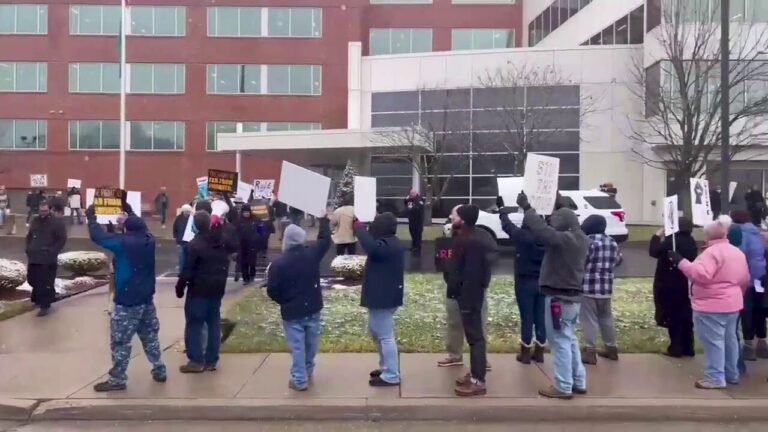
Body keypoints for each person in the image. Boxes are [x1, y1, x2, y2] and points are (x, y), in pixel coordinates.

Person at [86, 205, 167, 391]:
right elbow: (138, 225)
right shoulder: (150, 239)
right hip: (146, 298)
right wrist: (129, 211)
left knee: (120, 341)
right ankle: (159, 368)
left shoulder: (123, 243)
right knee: (150, 336)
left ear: (127, 229)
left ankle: (117, 380)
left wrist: (91, 217)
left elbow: (98, 236)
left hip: (127, 300)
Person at [518, 191, 589, 400]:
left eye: (555, 220)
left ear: (565, 223)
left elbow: (543, 232)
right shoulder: (581, 238)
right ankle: (578, 380)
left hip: (558, 297)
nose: (551, 223)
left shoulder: (565, 239)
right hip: (572, 298)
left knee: (559, 341)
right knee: (570, 339)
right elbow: (548, 230)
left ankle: (563, 385)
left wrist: (528, 208)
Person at [669, 215, 750, 389]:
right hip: (733, 303)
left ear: (709, 236)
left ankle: (714, 377)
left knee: (714, 342)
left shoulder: (711, 253)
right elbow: (745, 279)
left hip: (710, 305)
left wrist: (681, 262)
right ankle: (732, 373)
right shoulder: (737, 252)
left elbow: (701, 275)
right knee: (730, 340)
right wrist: (736, 295)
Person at [267, 215, 331, 391]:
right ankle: (307, 370)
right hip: (313, 307)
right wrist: (324, 220)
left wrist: (283, 301)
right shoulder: (311, 255)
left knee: (297, 347)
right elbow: (325, 241)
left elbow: (272, 289)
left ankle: (299, 379)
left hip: (292, 311)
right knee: (311, 344)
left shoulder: (278, 264)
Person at [176, 211, 235, 373]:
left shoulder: (194, 245)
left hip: (199, 290)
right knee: (213, 323)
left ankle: (196, 360)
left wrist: (180, 287)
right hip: (217, 289)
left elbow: (187, 271)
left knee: (194, 324)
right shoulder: (221, 241)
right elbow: (234, 246)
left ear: (195, 225)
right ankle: (211, 360)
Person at [353, 212, 405, 387]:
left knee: (385, 336)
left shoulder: (387, 245)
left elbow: (372, 248)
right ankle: (385, 368)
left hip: (383, 298)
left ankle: (391, 374)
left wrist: (359, 228)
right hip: (383, 296)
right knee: (377, 332)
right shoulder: (389, 243)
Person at [449, 205, 495, 397]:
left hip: (469, 297)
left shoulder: (470, 241)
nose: (452, 217)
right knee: (473, 338)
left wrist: (464, 296)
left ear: (464, 219)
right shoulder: (474, 237)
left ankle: (478, 381)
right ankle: (476, 373)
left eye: (455, 215)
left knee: (476, 339)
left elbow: (471, 273)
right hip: (470, 295)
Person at [499, 207, 546, 364]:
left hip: (524, 281)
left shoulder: (522, 236)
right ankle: (540, 352)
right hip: (542, 281)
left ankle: (525, 352)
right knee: (540, 316)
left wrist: (502, 212)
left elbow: (508, 226)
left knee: (527, 318)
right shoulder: (546, 237)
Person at [649, 218, 698, 358]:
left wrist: (656, 237)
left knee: (673, 315)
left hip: (668, 282)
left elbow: (654, 251)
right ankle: (688, 347)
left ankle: (675, 347)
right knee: (686, 315)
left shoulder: (672, 241)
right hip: (685, 282)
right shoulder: (691, 242)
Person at [579, 215, 623, 365]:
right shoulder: (612, 242)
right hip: (606, 287)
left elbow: (581, 262)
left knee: (589, 319)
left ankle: (590, 351)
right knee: (606, 317)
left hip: (588, 286)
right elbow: (618, 260)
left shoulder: (587, 242)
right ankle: (612, 349)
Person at [730, 210, 768, 360]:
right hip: (761, 277)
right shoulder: (757, 233)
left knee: (747, 312)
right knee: (760, 309)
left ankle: (749, 346)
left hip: (746, 278)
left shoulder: (738, 234)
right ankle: (762, 343)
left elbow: (739, 255)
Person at [25, 201, 67, 316]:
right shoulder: (35, 221)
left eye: (45, 211)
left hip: (47, 258)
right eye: (41, 211)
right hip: (34, 256)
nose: (42, 213)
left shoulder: (57, 223)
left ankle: (44, 305)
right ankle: (38, 299)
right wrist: (28, 248)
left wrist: (52, 251)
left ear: (50, 209)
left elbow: (61, 239)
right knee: (32, 279)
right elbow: (29, 235)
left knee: (45, 282)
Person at [234, 204, 259, 285]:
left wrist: (258, 238)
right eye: (245, 212)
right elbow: (235, 232)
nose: (246, 214)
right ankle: (245, 278)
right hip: (242, 244)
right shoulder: (238, 220)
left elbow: (260, 230)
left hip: (253, 244)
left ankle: (252, 275)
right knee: (244, 262)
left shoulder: (255, 219)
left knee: (252, 262)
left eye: (248, 212)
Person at [173, 204, 193, 271]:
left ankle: (187, 271)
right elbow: (175, 227)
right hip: (180, 241)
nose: (189, 213)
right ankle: (181, 271)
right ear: (184, 211)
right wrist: (175, 237)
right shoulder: (179, 218)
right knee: (181, 258)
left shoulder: (191, 218)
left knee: (188, 257)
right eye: (187, 211)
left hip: (188, 241)